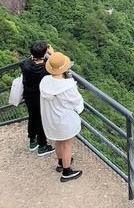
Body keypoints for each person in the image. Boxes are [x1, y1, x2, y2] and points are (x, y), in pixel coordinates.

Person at [40, 51, 84, 182]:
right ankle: (67, 171)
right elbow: (76, 102)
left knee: (58, 141)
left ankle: (60, 163)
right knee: (67, 144)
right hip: (64, 120)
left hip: (50, 118)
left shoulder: (45, 81)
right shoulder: (67, 86)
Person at [20, 41, 55, 156]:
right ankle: (42, 146)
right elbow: (56, 67)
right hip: (41, 98)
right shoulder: (45, 69)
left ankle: (32, 141)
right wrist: (52, 54)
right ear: (44, 53)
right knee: (41, 120)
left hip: (29, 96)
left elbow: (32, 61)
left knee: (32, 116)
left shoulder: (25, 64)